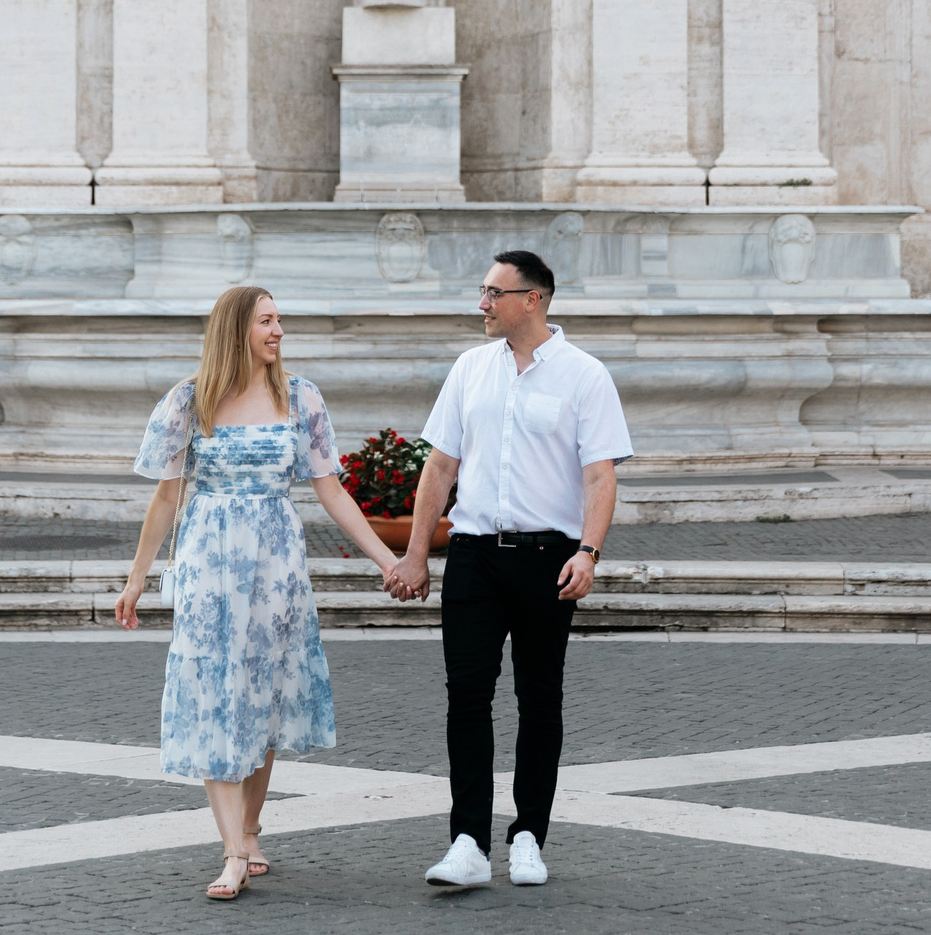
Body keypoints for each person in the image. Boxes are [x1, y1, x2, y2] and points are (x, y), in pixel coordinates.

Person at [115, 285, 407, 901]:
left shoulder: (300, 396)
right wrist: (138, 576)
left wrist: (389, 561)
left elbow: (331, 490)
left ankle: (249, 830)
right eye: (266, 321)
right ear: (236, 330)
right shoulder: (190, 399)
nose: (278, 331)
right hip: (209, 564)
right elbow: (166, 495)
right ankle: (231, 854)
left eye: (279, 320)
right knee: (216, 694)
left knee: (263, 692)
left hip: (275, 564)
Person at [387, 248, 630, 889]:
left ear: (533, 299)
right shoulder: (470, 368)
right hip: (473, 555)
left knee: (538, 698)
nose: (483, 304)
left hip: (549, 559)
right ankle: (467, 841)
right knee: (466, 696)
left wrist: (589, 552)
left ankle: (528, 837)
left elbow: (599, 475)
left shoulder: (584, 375)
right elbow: (440, 466)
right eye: (483, 291)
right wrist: (417, 552)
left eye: (494, 293)